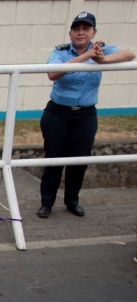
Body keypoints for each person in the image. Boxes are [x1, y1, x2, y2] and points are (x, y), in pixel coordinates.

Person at [36, 11, 134, 219]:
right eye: (77, 29)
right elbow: (53, 73)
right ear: (70, 33)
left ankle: (72, 201)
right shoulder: (60, 51)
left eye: (86, 29)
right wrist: (86, 57)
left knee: (79, 161)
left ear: (93, 32)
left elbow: (130, 54)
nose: (81, 33)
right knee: (54, 159)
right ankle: (47, 203)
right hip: (58, 113)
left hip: (85, 116)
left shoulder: (101, 50)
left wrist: (102, 59)